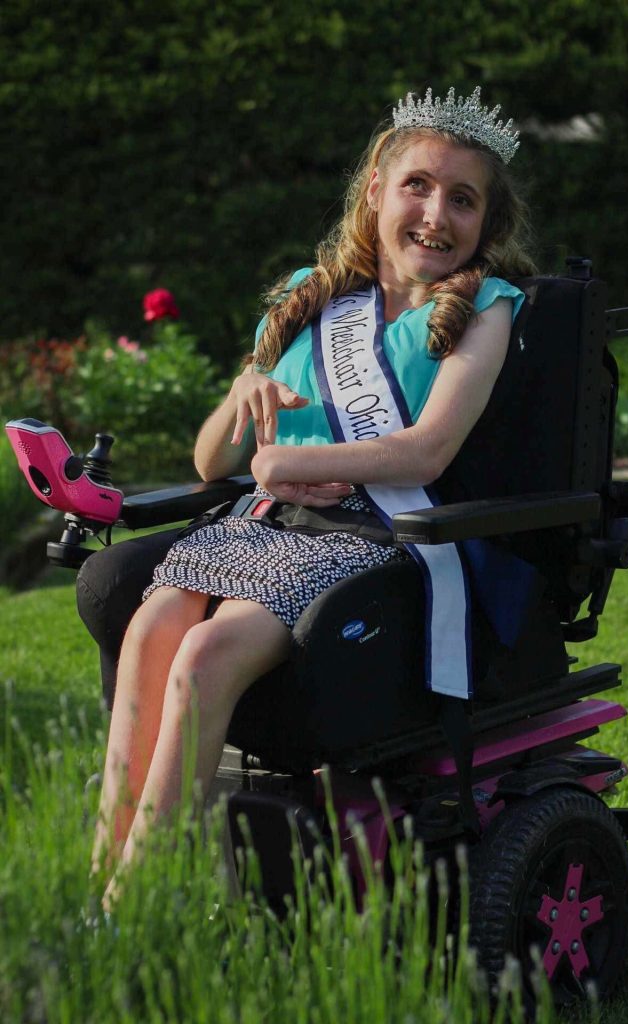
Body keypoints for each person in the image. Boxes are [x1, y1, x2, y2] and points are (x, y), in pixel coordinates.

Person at [91, 85, 535, 908]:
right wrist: (246, 387)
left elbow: (426, 447)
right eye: (418, 185)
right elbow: (209, 454)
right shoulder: (313, 294)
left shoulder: (486, 308)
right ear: (375, 190)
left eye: (462, 200)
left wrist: (284, 466)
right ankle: (107, 881)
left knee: (205, 654)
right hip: (267, 525)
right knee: (153, 622)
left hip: (380, 536)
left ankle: (139, 905)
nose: (436, 214)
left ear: (485, 222)